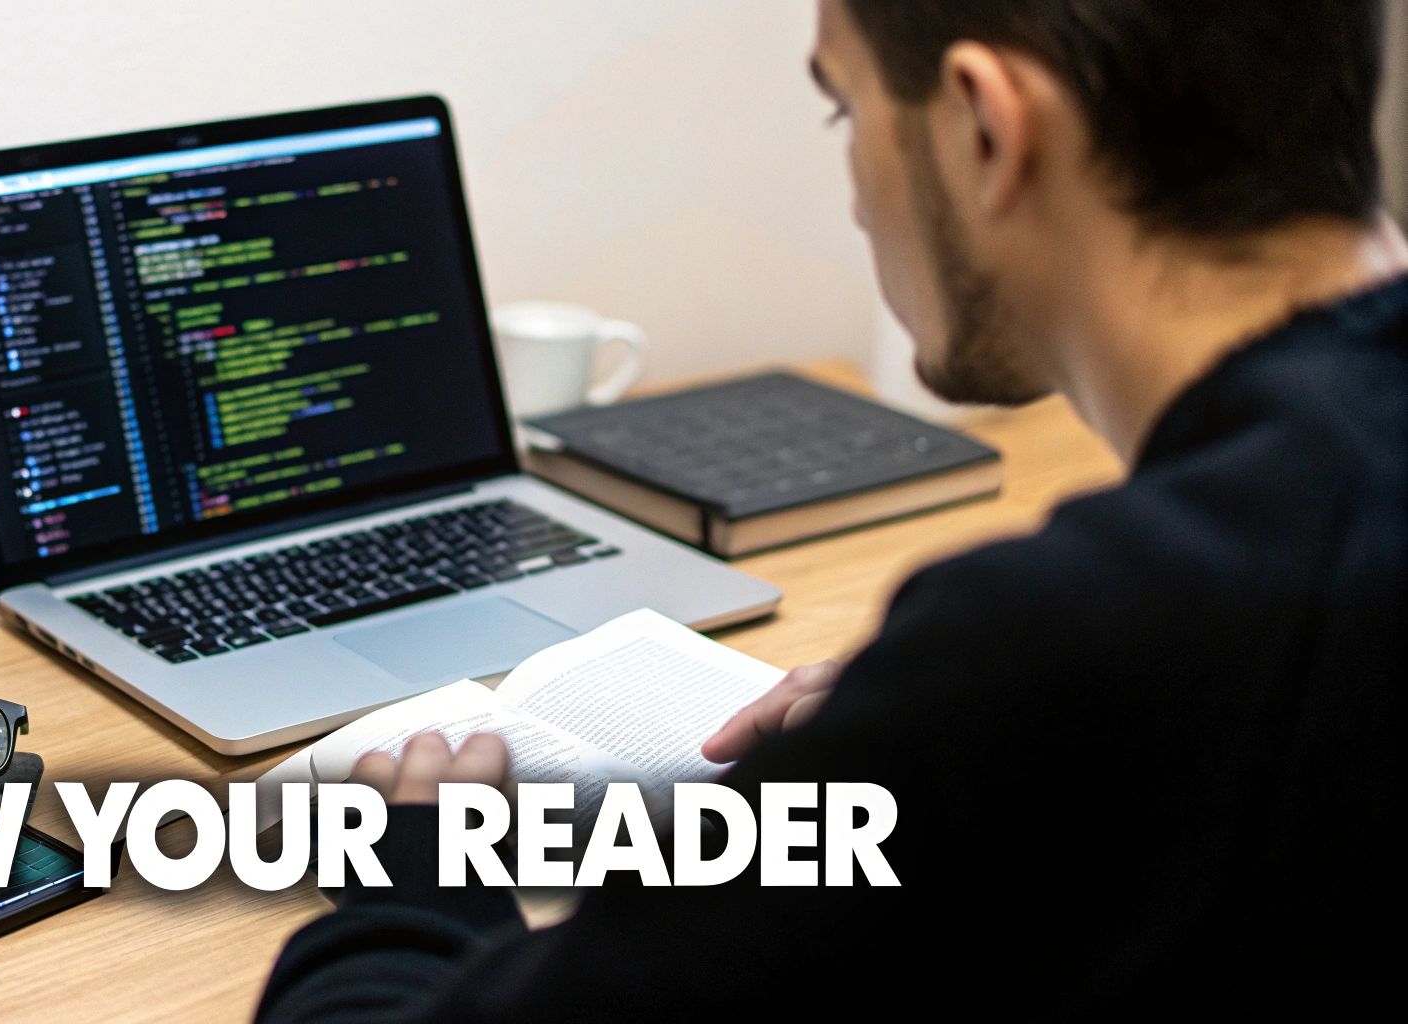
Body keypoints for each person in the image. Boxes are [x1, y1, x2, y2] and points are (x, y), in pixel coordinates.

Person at [255, 0, 1408, 1015]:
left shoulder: (1064, 645)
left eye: (842, 109)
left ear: (983, 129)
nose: (853, 194)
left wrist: (416, 873)